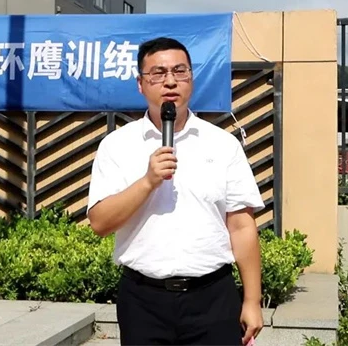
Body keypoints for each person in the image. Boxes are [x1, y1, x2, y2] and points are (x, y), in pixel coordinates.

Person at [87, 36, 265, 345]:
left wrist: (252, 300)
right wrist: (147, 182)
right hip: (143, 301)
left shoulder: (223, 144)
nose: (170, 81)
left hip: (213, 298)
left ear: (191, 79)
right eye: (158, 73)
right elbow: (100, 223)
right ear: (141, 84)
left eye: (180, 71)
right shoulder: (116, 145)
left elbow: (241, 225)